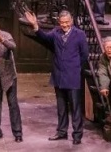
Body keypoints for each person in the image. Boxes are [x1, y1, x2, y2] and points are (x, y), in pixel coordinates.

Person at [25, 10, 87, 144]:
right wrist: (35, 25)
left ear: (71, 21)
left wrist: (74, 68)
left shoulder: (80, 34)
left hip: (72, 77)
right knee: (61, 107)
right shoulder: (56, 32)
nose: (64, 25)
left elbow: (84, 55)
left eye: (67, 22)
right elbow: (44, 38)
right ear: (59, 22)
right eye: (62, 22)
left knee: (75, 108)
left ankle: (77, 135)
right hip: (59, 76)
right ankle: (62, 132)